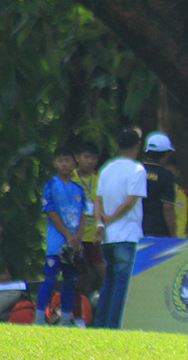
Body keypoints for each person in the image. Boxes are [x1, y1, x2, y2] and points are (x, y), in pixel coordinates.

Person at [94, 128, 147, 329]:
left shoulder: (106, 169)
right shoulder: (138, 170)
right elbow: (130, 202)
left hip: (108, 237)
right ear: (138, 145)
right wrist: (111, 218)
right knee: (123, 283)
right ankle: (114, 325)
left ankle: (100, 323)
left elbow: (97, 200)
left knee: (109, 281)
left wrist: (101, 223)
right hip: (127, 235)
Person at [35, 146, 87, 326]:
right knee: (50, 278)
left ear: (74, 162)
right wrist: (67, 234)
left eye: (68, 160)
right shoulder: (50, 185)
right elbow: (50, 212)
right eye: (61, 160)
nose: (64, 164)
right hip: (56, 243)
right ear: (55, 163)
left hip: (73, 244)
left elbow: (82, 215)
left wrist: (78, 236)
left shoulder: (78, 189)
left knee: (70, 280)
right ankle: (39, 318)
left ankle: (65, 319)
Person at [72, 140, 105, 298]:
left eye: (93, 158)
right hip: (75, 235)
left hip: (93, 235)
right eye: (86, 157)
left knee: (102, 270)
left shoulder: (99, 179)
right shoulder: (70, 178)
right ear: (78, 158)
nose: (90, 161)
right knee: (76, 275)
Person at [141, 132, 176, 238]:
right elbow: (168, 207)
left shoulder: (136, 170)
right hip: (158, 230)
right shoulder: (166, 175)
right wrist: (173, 235)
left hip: (135, 227)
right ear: (165, 155)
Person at [165, 155, 188, 238]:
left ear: (177, 173)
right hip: (162, 237)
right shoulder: (156, 191)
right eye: (166, 172)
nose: (169, 175)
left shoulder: (184, 194)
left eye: (171, 172)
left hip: (180, 239)